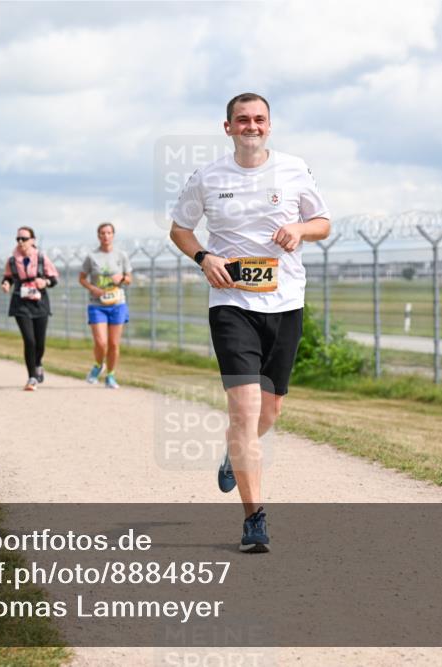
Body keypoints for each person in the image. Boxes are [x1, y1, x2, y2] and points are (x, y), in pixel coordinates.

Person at [168, 92, 331, 553]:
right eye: (243, 120)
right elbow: (180, 228)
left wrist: (300, 229)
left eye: (259, 119)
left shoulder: (295, 168)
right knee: (243, 413)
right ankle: (254, 519)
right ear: (228, 128)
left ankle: (233, 452)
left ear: (269, 126)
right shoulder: (208, 176)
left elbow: (323, 222)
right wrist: (203, 256)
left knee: (269, 412)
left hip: (285, 302)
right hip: (231, 304)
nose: (251, 126)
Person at [2, 227, 60, 391]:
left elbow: (54, 279)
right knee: (29, 340)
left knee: (40, 342)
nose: (20, 242)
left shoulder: (41, 258)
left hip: (39, 302)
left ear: (32, 240)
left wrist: (46, 282)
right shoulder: (12, 260)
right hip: (20, 302)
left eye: (24, 239)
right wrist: (6, 283)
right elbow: (8, 277)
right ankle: (32, 377)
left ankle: (38, 362)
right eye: (18, 239)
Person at [78, 223, 132, 389]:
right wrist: (93, 288)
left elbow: (129, 279)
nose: (106, 236)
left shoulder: (121, 255)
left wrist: (121, 279)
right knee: (101, 342)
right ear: (98, 236)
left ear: (113, 235)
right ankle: (97, 365)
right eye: (102, 233)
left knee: (114, 344)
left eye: (109, 233)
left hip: (117, 303)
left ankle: (110, 375)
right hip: (97, 305)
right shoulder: (91, 257)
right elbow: (81, 278)